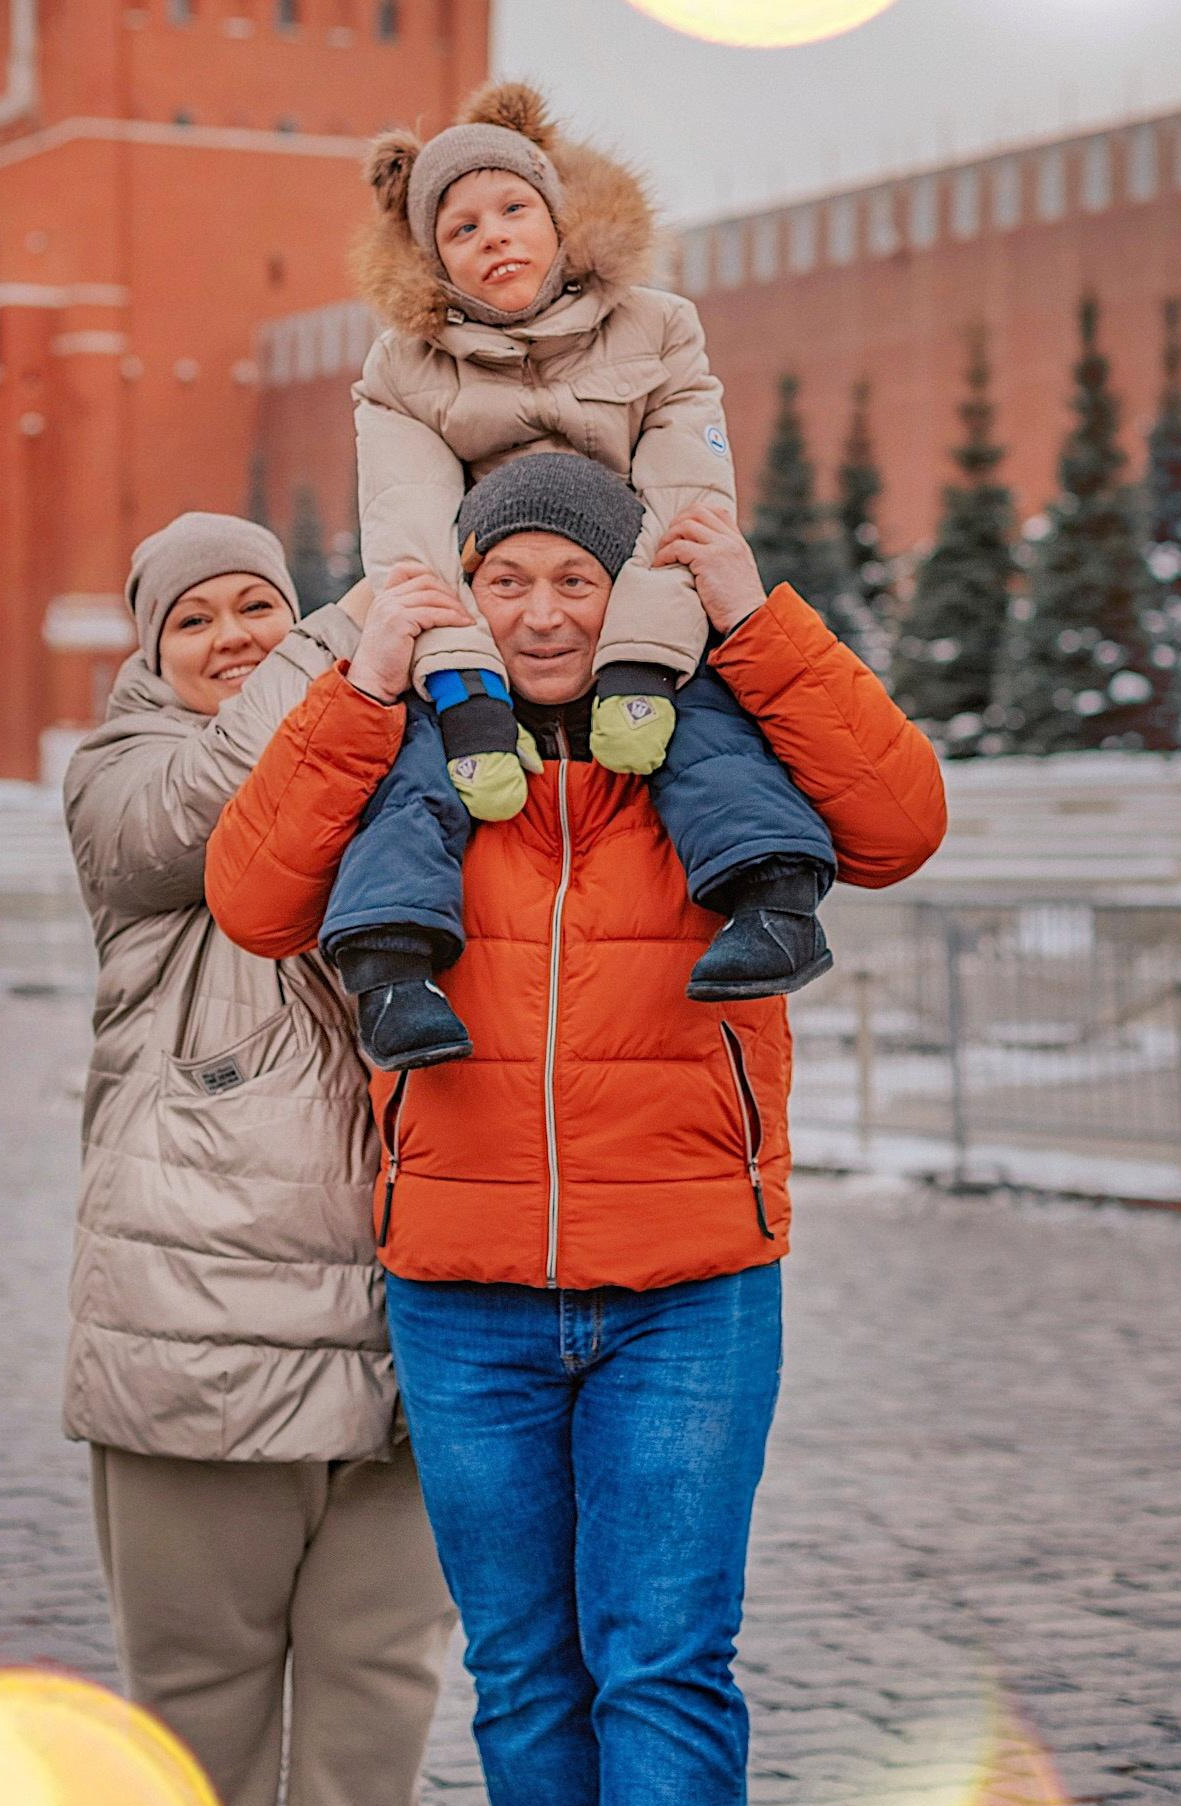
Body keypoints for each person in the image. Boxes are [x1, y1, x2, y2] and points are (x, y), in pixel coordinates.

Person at [206, 465, 945, 1806]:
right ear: (469, 593)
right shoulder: (413, 757)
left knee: (660, 1667)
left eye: (575, 581)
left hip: (686, 1287)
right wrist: (359, 675)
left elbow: (899, 822)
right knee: (528, 1676)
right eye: (509, 578)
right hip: (463, 1294)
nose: (544, 611)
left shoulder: (706, 752)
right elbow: (254, 899)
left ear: (625, 600)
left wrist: (753, 611)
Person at [63, 512, 474, 1806]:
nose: (235, 633)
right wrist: (339, 640)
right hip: (196, 1308)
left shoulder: (384, 748)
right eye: (197, 621)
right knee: (200, 1665)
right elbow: (196, 811)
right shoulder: (124, 775)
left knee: (379, 1660)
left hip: (398, 1300)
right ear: (150, 656)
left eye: (261, 605)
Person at [335, 80, 838, 1074]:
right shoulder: (402, 372)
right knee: (410, 774)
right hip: (490, 619)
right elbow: (410, 544)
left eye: (514, 208)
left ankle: (775, 903)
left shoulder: (656, 328)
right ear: (431, 255)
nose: (494, 237)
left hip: (634, 594)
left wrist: (645, 664)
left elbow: (687, 501)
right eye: (461, 226)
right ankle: (391, 971)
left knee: (711, 729)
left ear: (559, 214)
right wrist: (464, 691)